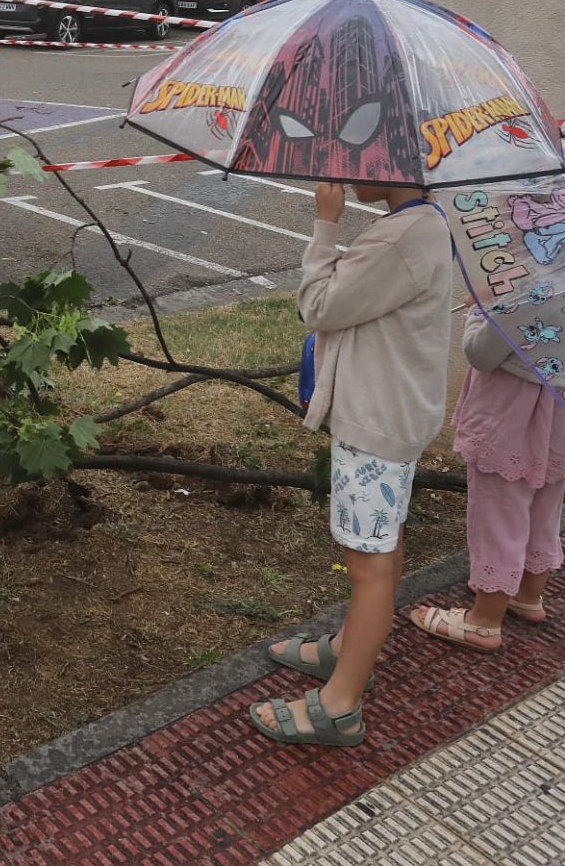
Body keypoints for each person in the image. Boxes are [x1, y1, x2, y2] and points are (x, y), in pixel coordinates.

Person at [251, 180, 452, 747]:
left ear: (394, 165)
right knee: (383, 545)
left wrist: (326, 223)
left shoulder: (402, 237)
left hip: (376, 425)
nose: (347, 170)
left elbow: (317, 306)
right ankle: (347, 649)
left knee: (369, 567)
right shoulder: (421, 223)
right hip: (392, 418)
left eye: (360, 156)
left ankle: (340, 706)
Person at [404, 308, 565, 650]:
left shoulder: (530, 290)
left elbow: (482, 353)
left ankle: (484, 621)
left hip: (511, 415)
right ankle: (527, 594)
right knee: (545, 506)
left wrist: (480, 312)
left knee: (498, 514)